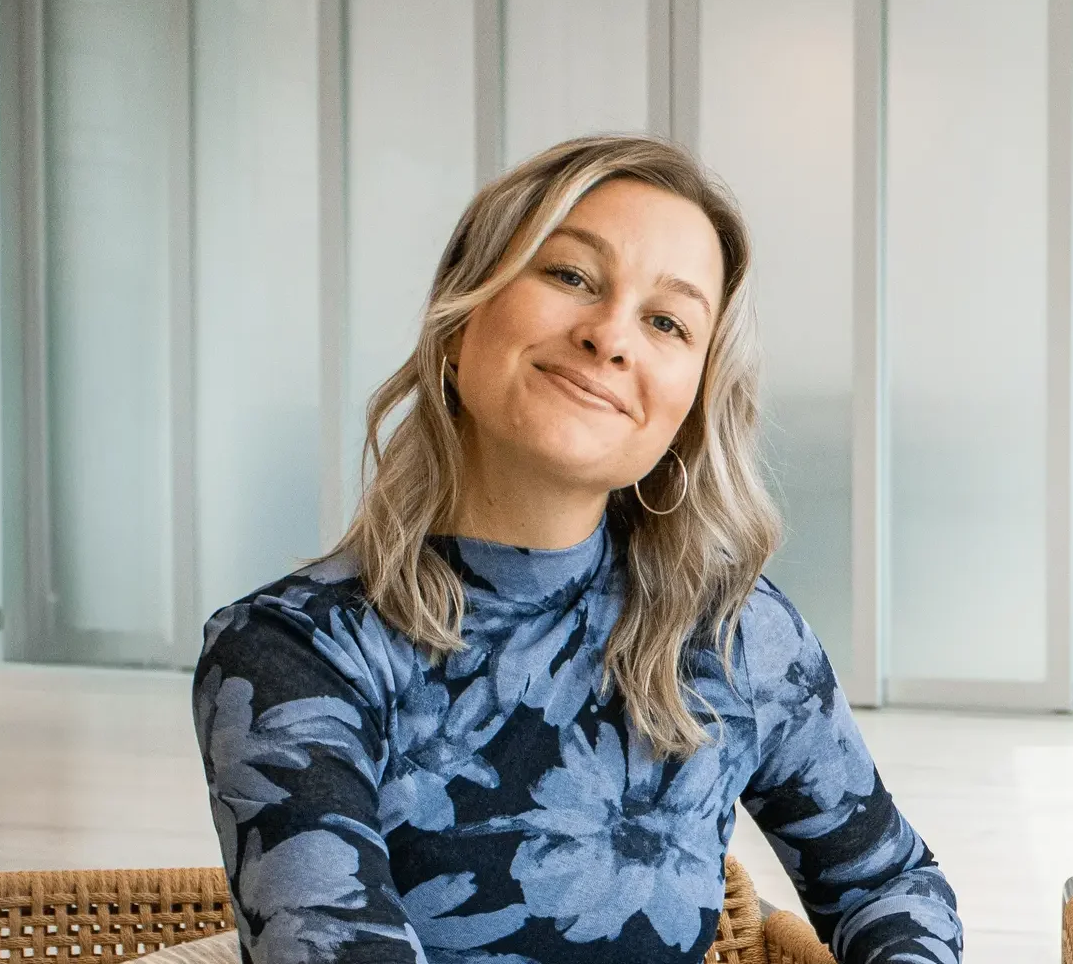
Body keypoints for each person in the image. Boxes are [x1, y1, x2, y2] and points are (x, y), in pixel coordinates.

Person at [193, 136, 962, 964]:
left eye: (666, 321)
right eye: (570, 276)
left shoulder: (734, 633)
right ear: (460, 319)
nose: (609, 335)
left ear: (688, 413)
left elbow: (892, 884)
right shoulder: (290, 653)